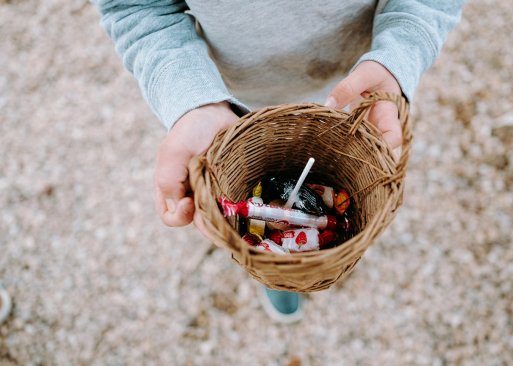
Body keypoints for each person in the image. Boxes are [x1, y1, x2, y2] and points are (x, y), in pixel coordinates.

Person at [94, 0, 465, 323]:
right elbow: (134, 6)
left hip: (356, 93)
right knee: (267, 254)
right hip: (233, 106)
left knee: (306, 229)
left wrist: (400, 53)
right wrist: (193, 101)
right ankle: (280, 279)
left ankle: (317, 260)